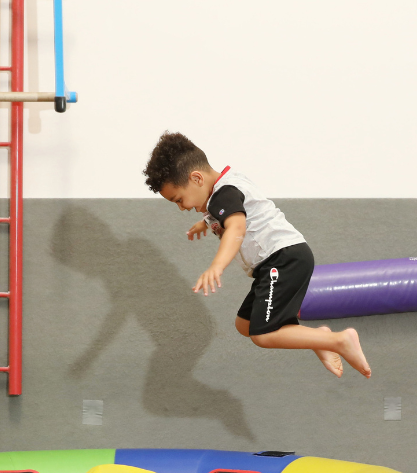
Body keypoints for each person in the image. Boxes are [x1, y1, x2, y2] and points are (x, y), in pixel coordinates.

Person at [142, 132, 371, 379]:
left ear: (196, 178)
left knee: (263, 335)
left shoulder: (224, 193)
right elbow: (235, 210)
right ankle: (321, 339)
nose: (182, 207)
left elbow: (237, 227)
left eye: (179, 199)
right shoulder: (225, 187)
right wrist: (205, 224)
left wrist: (216, 266)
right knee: (246, 324)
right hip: (278, 262)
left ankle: (339, 340)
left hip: (283, 259)